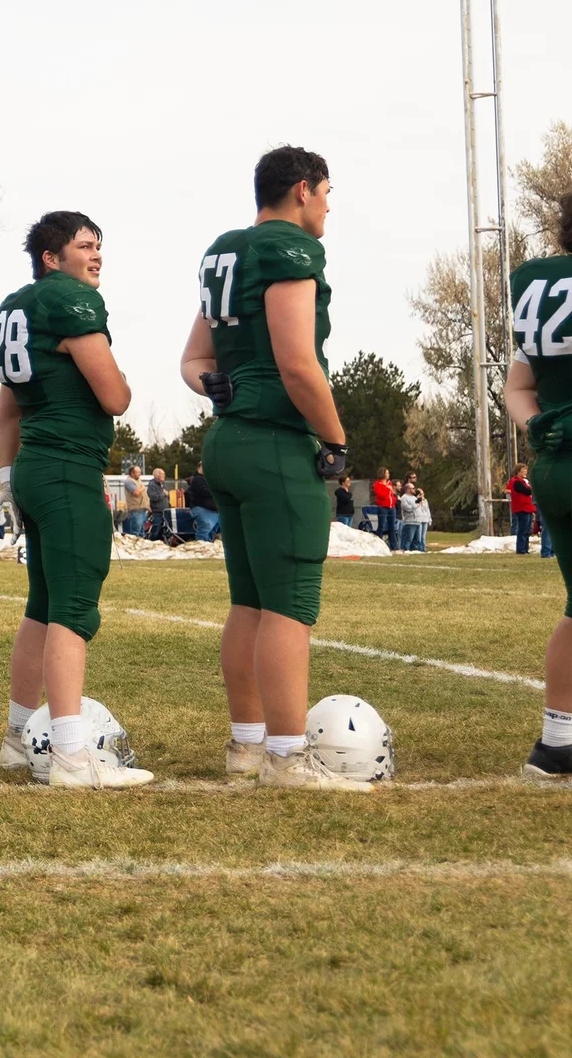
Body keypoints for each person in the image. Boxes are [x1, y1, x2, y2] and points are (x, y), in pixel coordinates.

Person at [181, 145, 365, 791]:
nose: (329, 205)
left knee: (250, 603)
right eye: (327, 191)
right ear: (303, 191)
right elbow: (296, 361)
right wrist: (337, 439)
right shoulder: (288, 248)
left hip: (228, 441)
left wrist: (215, 387)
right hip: (276, 443)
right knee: (288, 605)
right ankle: (288, 757)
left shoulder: (226, 251)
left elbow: (193, 360)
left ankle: (247, 749)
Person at [0, 210, 152, 790]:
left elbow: (7, 408)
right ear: (51, 259)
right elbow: (115, 396)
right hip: (66, 468)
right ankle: (69, 756)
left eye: (100, 246)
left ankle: (17, 738)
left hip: (33, 464)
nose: (97, 255)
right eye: (85, 246)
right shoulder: (68, 299)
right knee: (73, 609)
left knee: (43, 603)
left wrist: (8, 477)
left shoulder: (17, 305)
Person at [506, 193, 572, 779]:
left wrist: (544, 429)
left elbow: (517, 388)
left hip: (555, 467)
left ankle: (558, 741)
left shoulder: (540, 287)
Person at [186, 462, 220, 542]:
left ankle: (207, 547)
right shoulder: (197, 479)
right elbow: (204, 491)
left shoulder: (208, 480)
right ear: (199, 468)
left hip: (212, 511)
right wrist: (216, 491)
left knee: (211, 532)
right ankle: (202, 549)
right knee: (205, 532)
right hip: (202, 509)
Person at [510, 464, 538, 554]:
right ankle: (521, 549)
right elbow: (527, 491)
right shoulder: (516, 482)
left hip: (528, 507)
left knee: (527, 530)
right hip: (521, 508)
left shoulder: (524, 482)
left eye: (526, 470)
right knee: (522, 529)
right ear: (518, 471)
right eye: (523, 470)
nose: (525, 472)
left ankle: (525, 548)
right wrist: (530, 488)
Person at [371, 467, 399, 544]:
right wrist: (388, 489)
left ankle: (394, 546)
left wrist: (393, 500)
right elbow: (381, 495)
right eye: (387, 473)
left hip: (391, 507)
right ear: (383, 474)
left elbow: (392, 494)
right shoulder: (377, 484)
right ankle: (378, 544)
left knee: (392, 527)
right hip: (383, 507)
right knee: (381, 526)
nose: (388, 474)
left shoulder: (389, 483)